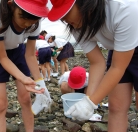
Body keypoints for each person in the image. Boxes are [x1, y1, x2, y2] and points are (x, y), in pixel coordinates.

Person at [48, 0, 138, 131]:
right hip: (118, 50)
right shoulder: (76, 25)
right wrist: (88, 100)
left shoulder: (123, 11)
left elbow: (117, 67)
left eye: (67, 12)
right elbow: (97, 62)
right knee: (116, 106)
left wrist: (91, 102)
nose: (64, 19)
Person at [0, 0, 52, 131]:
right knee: (0, 105)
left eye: (32, 20)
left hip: (18, 51)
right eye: (23, 17)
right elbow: (3, 58)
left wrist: (40, 84)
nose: (27, 24)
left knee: (26, 99)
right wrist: (23, 78)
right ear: (11, 5)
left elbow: (30, 55)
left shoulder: (35, 22)